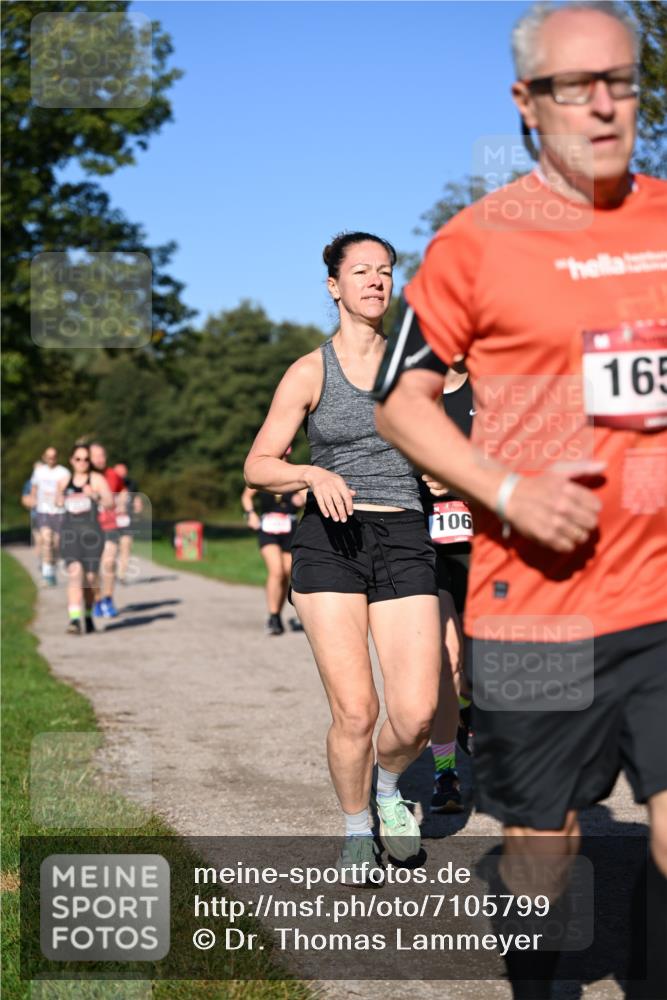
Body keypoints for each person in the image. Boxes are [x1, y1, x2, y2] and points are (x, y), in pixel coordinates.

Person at [374, 3, 666, 996]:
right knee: (544, 855)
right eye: (573, 86)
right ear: (525, 102)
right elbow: (400, 405)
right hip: (536, 609)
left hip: (659, 595)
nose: (602, 104)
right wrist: (505, 488)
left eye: (621, 81)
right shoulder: (475, 243)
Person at [245, 232, 441, 880]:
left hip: (405, 536)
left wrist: (442, 473)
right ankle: (357, 827)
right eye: (361, 271)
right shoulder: (310, 371)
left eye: (384, 271)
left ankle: (387, 789)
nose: (376, 281)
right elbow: (258, 464)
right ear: (334, 285)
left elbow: (446, 444)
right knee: (356, 711)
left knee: (415, 715)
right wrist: (309, 473)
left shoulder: (415, 365)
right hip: (330, 541)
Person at [422, 364, 475, 814]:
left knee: (476, 670)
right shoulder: (409, 392)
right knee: (447, 662)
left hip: (486, 550)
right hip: (429, 551)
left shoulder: (493, 391)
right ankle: (445, 774)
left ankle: (468, 709)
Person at [240, 454, 306, 635]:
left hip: (289, 529)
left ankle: (281, 614)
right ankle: (273, 616)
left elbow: (306, 497)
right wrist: (250, 514)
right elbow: (246, 496)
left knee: (287, 572)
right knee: (276, 570)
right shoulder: (263, 471)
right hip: (268, 528)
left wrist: (301, 500)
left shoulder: (295, 472)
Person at [56, 444, 113, 635]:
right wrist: (59, 500)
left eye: (86, 459)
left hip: (92, 536)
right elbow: (57, 501)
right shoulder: (64, 481)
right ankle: (74, 620)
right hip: (70, 534)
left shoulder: (96, 479)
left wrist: (94, 495)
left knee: (89, 579)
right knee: (75, 573)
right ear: (71, 460)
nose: (82, 463)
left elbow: (110, 503)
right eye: (78, 459)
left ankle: (88, 616)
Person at [89, 443, 126, 617]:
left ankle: (108, 599)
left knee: (109, 563)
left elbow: (123, 490)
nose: (100, 459)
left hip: (110, 525)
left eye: (102, 455)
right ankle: (97, 599)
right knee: (92, 570)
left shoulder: (112, 474)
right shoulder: (84, 477)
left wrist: (122, 503)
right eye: (96, 456)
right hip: (89, 528)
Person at [29, 446, 68, 586]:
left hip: (59, 511)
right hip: (43, 511)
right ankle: (47, 575)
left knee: (56, 543)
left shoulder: (64, 472)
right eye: (49, 456)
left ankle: (52, 566)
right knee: (47, 540)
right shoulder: (39, 472)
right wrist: (33, 500)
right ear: (44, 457)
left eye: (54, 456)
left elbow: (66, 490)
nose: (51, 459)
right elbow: (34, 488)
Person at [113, 462, 143, 586]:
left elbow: (137, 500)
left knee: (126, 547)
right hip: (111, 522)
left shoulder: (132, 484)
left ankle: (121, 575)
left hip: (126, 522)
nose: (121, 474)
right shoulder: (108, 484)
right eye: (118, 472)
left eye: (123, 472)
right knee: (112, 549)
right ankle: (111, 571)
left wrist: (137, 506)